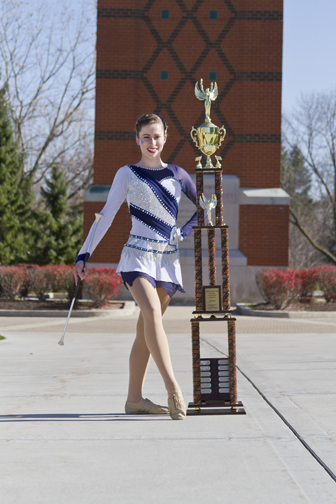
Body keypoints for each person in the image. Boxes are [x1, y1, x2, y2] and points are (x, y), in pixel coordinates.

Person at [74, 113, 197, 420]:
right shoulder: (127, 174)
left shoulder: (178, 174)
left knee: (145, 331)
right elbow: (107, 214)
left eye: (157, 136)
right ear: (137, 140)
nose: (151, 143)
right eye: (146, 137)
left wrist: (185, 230)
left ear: (165, 137)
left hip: (167, 262)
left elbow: (208, 208)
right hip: (136, 258)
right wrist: (83, 254)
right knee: (152, 313)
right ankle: (174, 390)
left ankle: (134, 400)